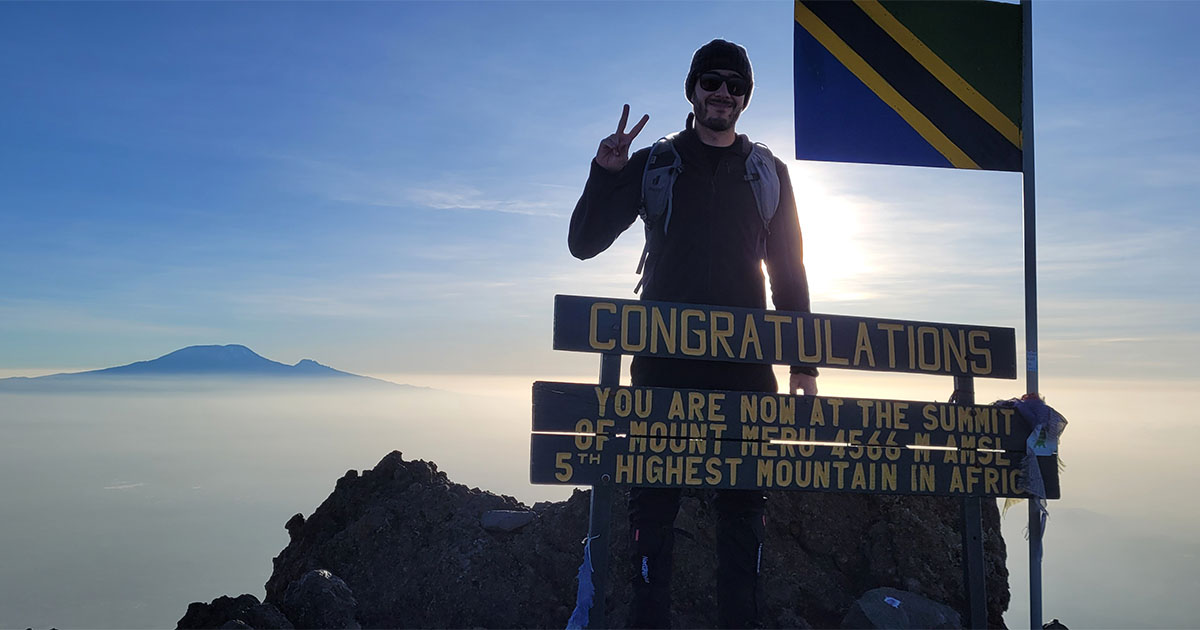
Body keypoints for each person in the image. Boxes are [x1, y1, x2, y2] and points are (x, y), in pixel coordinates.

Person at [568, 39, 818, 628]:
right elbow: (584, 243)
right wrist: (605, 175)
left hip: (747, 372)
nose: (723, 94)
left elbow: (789, 271)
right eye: (711, 82)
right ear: (693, 90)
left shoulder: (768, 173)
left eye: (735, 85)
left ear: (745, 98)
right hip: (664, 366)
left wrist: (802, 364)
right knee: (652, 516)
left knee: (743, 515)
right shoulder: (657, 164)